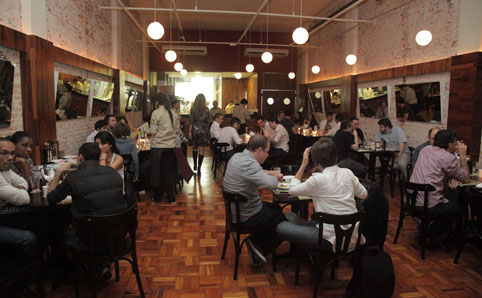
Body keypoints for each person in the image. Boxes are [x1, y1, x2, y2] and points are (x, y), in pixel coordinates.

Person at [276, 138, 367, 252]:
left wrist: (304, 164)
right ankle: (307, 228)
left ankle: (307, 246)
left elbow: (292, 190)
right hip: (353, 236)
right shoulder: (348, 173)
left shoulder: (318, 179)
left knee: (281, 227)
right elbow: (364, 195)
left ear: (316, 161)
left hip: (329, 239)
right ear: (335, 156)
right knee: (291, 216)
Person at [223, 135, 285, 265]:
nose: (267, 155)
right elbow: (272, 185)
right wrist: (276, 177)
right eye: (267, 152)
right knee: (280, 219)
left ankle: (257, 242)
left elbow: (258, 172)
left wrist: (272, 174)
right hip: (246, 216)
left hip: (234, 212)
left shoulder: (237, 156)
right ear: (259, 150)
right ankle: (258, 245)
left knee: (275, 209)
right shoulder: (250, 164)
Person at [410, 129, 469, 241]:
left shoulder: (425, 150)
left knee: (449, 198)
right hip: (430, 205)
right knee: (459, 208)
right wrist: (462, 156)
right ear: (449, 144)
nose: (456, 144)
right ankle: (431, 235)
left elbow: (436, 170)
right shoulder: (448, 158)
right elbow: (465, 178)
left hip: (414, 199)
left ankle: (426, 229)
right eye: (454, 142)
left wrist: (451, 176)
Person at [47, 142, 128, 219]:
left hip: (90, 229)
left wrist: (58, 172)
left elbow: (51, 198)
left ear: (81, 157)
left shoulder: (73, 177)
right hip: (118, 227)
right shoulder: (113, 172)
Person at [150, 93, 178, 203]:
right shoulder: (173, 113)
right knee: (169, 173)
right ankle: (171, 198)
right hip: (170, 147)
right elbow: (176, 130)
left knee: (157, 173)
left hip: (158, 147)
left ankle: (157, 197)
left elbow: (152, 131)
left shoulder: (156, 113)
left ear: (157, 101)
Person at [189, 94, 210, 175]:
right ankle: (199, 168)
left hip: (195, 129)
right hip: (203, 130)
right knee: (202, 150)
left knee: (195, 148)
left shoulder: (193, 109)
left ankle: (194, 163)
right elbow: (208, 121)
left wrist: (190, 132)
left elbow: (191, 121)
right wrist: (207, 131)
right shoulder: (207, 109)